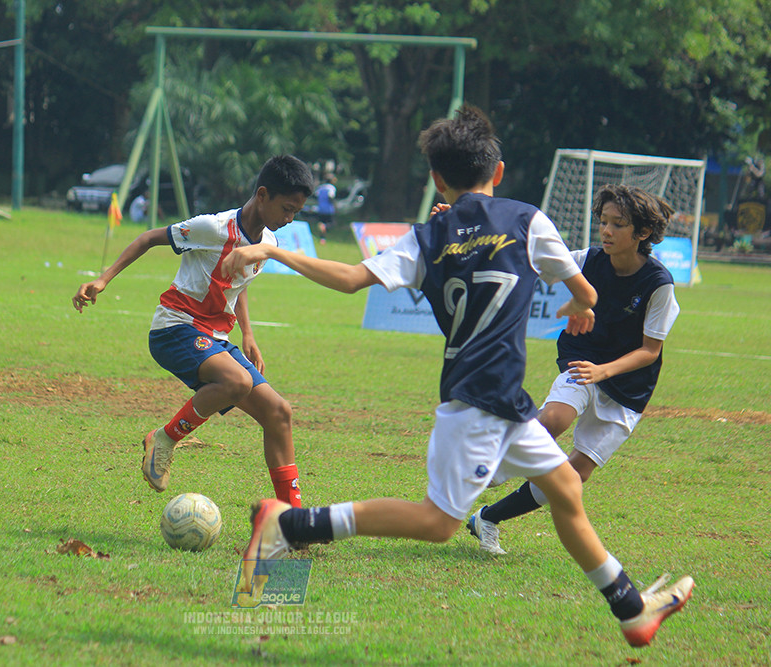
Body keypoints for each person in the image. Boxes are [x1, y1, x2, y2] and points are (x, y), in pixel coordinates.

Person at [224, 107, 693, 647]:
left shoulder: (428, 237)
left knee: (565, 487)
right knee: (438, 523)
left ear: (436, 179)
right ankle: (289, 526)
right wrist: (581, 305)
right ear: (497, 172)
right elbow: (582, 287)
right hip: (480, 401)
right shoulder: (527, 220)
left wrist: (272, 248)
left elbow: (351, 279)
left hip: (499, 399)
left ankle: (632, 611)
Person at [72, 155, 314, 507]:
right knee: (238, 382)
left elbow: (237, 282)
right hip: (175, 327)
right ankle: (165, 439)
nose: (290, 219)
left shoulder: (268, 244)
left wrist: (248, 334)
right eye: (287, 208)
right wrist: (103, 279)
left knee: (280, 413)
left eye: (297, 212)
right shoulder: (214, 227)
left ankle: (294, 520)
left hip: (215, 338)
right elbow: (150, 238)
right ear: (263, 195)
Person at [468, 184, 680, 556]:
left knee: (573, 475)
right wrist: (464, 230)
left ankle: (487, 518)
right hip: (582, 360)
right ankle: (490, 464)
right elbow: (527, 256)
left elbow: (650, 351)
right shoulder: (587, 260)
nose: (607, 230)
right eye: (604, 222)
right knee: (555, 418)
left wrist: (605, 372)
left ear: (643, 233)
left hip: (628, 388)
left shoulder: (659, 284)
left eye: (618, 224)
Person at [314, 173, 336, 244]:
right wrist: (334, 205)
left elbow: (316, 196)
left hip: (320, 208)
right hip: (329, 209)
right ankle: (325, 227)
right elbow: (330, 197)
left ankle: (322, 239)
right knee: (331, 224)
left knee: (321, 223)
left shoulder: (320, 188)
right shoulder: (331, 188)